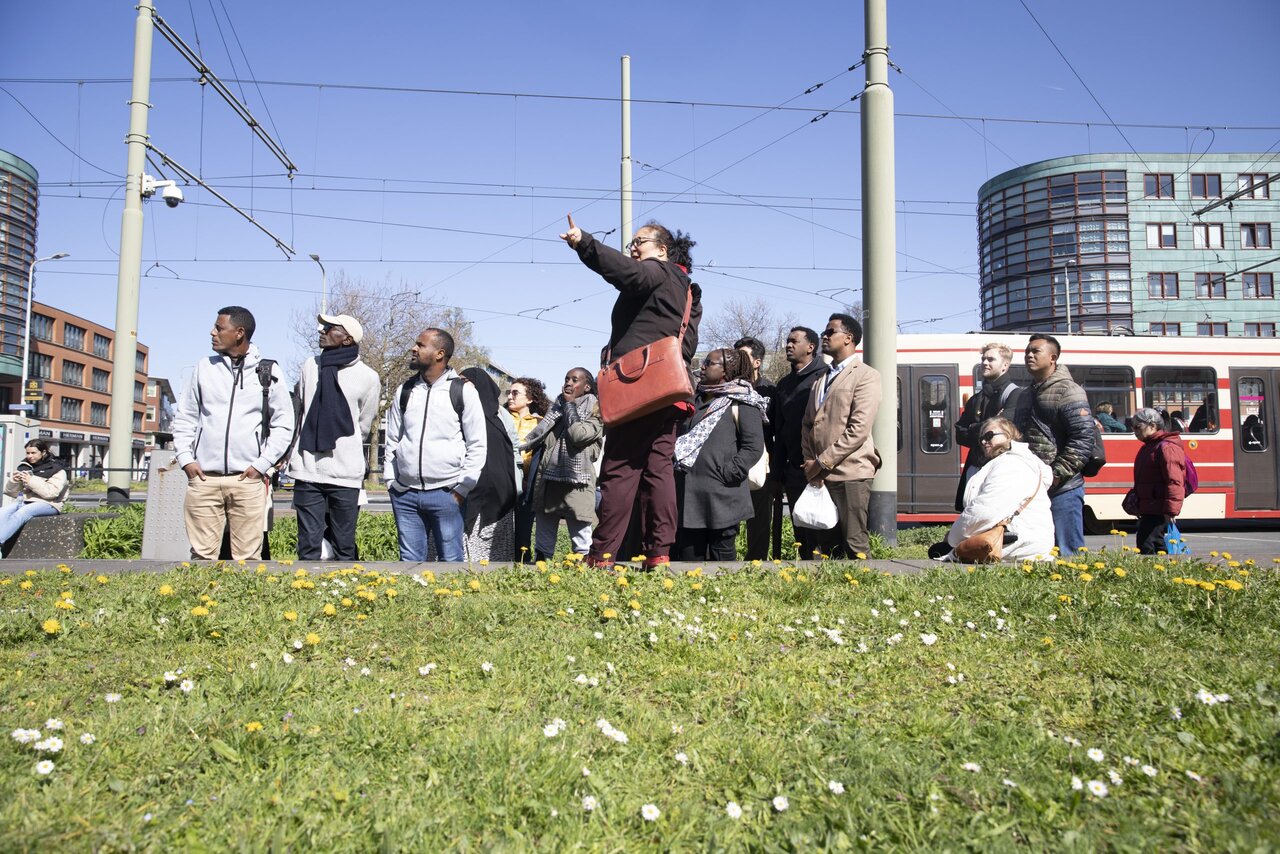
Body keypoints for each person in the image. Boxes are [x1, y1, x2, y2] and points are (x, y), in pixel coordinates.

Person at [560, 215, 702, 570]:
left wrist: (585, 244)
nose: (633, 249)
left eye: (640, 242)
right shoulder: (687, 290)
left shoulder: (659, 271)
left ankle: (602, 555)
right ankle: (659, 554)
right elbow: (687, 345)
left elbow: (630, 274)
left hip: (639, 391)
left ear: (662, 250)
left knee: (620, 469)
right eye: (632, 244)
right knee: (658, 470)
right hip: (668, 392)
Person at [172, 306, 295, 560]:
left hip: (247, 480)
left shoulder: (267, 371)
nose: (212, 332)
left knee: (248, 560)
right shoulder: (203, 368)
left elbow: (284, 424)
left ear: (239, 333)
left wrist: (261, 466)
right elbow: (185, 417)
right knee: (201, 557)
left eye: (219, 327)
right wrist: (186, 459)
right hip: (204, 479)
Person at [384, 328, 487, 562]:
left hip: (447, 493)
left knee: (451, 562)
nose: (414, 349)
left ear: (440, 354)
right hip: (405, 494)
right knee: (409, 564)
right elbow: (392, 440)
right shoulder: (405, 391)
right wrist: (392, 482)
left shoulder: (463, 391)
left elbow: (477, 444)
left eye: (421, 345)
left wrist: (462, 490)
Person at [288, 313, 380, 561]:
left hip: (345, 472)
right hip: (307, 468)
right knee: (308, 546)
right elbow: (303, 409)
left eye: (330, 328)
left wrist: (343, 444)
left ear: (348, 339)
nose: (322, 331)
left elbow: (363, 423)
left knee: (344, 545)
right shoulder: (310, 366)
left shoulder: (368, 377)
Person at [801, 313, 882, 558]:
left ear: (848, 338)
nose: (824, 336)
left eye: (830, 332)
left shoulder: (866, 375)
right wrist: (810, 462)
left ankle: (866, 590)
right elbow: (808, 424)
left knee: (854, 542)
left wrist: (821, 462)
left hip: (851, 473)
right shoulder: (821, 379)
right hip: (820, 473)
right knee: (827, 545)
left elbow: (858, 429)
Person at [674, 348, 767, 561]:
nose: (703, 366)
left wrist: (728, 472)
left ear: (727, 370)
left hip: (723, 495)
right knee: (689, 558)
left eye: (710, 362)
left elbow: (753, 447)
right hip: (690, 496)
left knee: (722, 559)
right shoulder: (694, 398)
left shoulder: (743, 401)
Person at [1012, 333, 1094, 555]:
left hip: (1062, 486)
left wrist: (1057, 474)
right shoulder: (1026, 394)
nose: (1029, 355)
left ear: (1053, 357)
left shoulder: (1069, 390)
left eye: (1035, 351)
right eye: (1027, 351)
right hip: (1033, 485)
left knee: (1068, 552)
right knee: (1038, 551)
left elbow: (1083, 438)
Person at [935, 417, 1054, 562]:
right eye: (981, 439)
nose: (984, 441)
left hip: (1017, 544)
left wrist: (954, 538)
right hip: (1023, 544)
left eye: (989, 436)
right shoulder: (1013, 461)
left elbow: (984, 512)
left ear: (1009, 436)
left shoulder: (1011, 464)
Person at [519, 367, 604, 561]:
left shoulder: (596, 410)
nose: (568, 383)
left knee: (581, 540)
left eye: (575, 380)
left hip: (578, 485)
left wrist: (570, 406)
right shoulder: (555, 408)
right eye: (567, 378)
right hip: (549, 480)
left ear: (587, 386)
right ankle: (541, 573)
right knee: (543, 541)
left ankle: (581, 577)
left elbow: (578, 435)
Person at [769, 326, 826, 559]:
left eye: (795, 341)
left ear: (810, 347)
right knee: (801, 533)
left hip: (822, 469)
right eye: (787, 341)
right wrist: (777, 475)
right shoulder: (784, 384)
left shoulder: (825, 376)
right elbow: (779, 432)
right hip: (793, 470)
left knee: (824, 533)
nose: (788, 345)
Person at [954, 342, 1022, 511]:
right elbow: (959, 435)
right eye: (983, 358)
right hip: (975, 469)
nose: (985, 362)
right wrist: (988, 426)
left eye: (991, 359)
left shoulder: (1016, 395)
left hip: (1001, 472)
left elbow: (1001, 434)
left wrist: (974, 428)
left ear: (1005, 365)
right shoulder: (976, 399)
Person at [459, 368, 518, 563]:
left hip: (496, 498)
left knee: (491, 558)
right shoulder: (462, 413)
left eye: (465, 380)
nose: (459, 385)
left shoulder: (497, 417)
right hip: (470, 491)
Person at [734, 336, 777, 560]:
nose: (736, 361)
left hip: (761, 464)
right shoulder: (726, 388)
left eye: (742, 357)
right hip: (731, 461)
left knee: (760, 519)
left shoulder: (770, 391)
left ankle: (756, 562)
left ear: (757, 362)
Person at [1126, 407, 1188, 555]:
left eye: (1138, 427)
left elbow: (1174, 481)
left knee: (1148, 546)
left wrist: (1171, 510)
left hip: (1158, 508)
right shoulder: (1150, 446)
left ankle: (1157, 576)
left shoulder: (1166, 447)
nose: (1135, 432)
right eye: (1133, 427)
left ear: (1152, 426)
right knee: (1151, 545)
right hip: (1149, 507)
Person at [505, 377, 550, 561]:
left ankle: (522, 564)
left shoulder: (541, 422)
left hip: (527, 483)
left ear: (530, 399)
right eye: (509, 392)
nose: (510, 396)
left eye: (515, 393)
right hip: (503, 481)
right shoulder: (500, 417)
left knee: (524, 531)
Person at [0, 440, 70, 550]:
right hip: (25, 501)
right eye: (28, 453)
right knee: (3, 511)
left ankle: (0, 541)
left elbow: (51, 493)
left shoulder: (57, 469)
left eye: (33, 453)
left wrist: (31, 480)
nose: (30, 456)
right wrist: (14, 481)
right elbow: (11, 493)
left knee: (23, 512)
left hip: (50, 504)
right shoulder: (25, 467)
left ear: (43, 452)